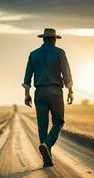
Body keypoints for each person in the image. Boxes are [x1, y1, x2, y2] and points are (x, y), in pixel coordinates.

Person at [22, 28, 74, 167]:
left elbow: (27, 77)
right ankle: (47, 144)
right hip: (56, 92)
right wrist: (70, 91)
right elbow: (66, 74)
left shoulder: (33, 55)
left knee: (42, 126)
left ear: (43, 39)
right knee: (59, 121)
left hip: (39, 93)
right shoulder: (60, 53)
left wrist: (27, 95)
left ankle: (46, 159)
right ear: (54, 39)